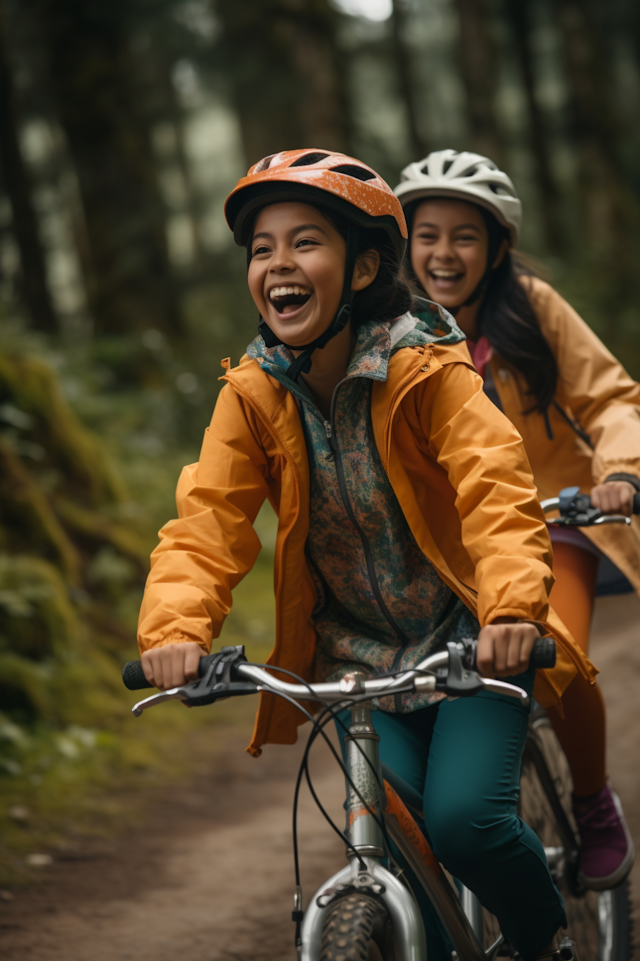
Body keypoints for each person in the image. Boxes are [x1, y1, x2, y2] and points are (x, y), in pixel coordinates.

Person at [137, 149, 594, 959]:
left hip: (470, 640)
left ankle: (543, 937)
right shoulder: (252, 393)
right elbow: (207, 521)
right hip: (355, 661)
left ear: (366, 267)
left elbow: (498, 489)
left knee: (464, 821)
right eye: (262, 248)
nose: (278, 263)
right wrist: (175, 629)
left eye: (305, 241)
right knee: (396, 836)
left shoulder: (430, 371)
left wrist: (513, 610)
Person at [394, 148, 638, 891]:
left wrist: (621, 472)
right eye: (427, 233)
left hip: (555, 516)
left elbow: (609, 395)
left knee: (555, 653)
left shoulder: (532, 307)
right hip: (450, 541)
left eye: (465, 235)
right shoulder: (394, 329)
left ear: (496, 246)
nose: (443, 252)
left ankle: (592, 799)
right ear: (403, 244)